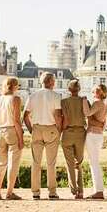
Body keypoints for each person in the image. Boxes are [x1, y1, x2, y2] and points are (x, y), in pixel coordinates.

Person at [23, 72, 63, 200]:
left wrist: (31, 130)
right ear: (51, 82)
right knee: (51, 162)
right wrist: (59, 130)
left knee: (36, 162)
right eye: (54, 80)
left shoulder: (33, 95)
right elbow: (57, 115)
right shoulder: (56, 96)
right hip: (51, 129)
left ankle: (35, 192)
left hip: (37, 129)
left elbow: (25, 116)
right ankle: (52, 191)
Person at [0, 77, 24, 200]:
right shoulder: (16, 99)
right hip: (11, 131)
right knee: (13, 163)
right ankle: (9, 192)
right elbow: (17, 121)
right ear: (15, 86)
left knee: (0, 163)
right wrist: (21, 138)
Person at [60, 79, 87, 199]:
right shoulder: (84, 101)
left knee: (70, 163)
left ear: (69, 90)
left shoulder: (64, 102)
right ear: (79, 89)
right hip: (81, 133)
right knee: (78, 163)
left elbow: (63, 119)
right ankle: (80, 191)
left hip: (67, 133)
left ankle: (74, 190)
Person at [82, 84, 107, 200]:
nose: (93, 93)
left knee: (94, 163)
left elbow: (87, 113)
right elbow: (103, 124)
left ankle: (98, 191)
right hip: (98, 135)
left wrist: (83, 101)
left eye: (95, 91)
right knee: (95, 162)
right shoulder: (104, 105)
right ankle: (98, 190)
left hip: (92, 134)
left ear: (101, 93)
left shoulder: (97, 103)